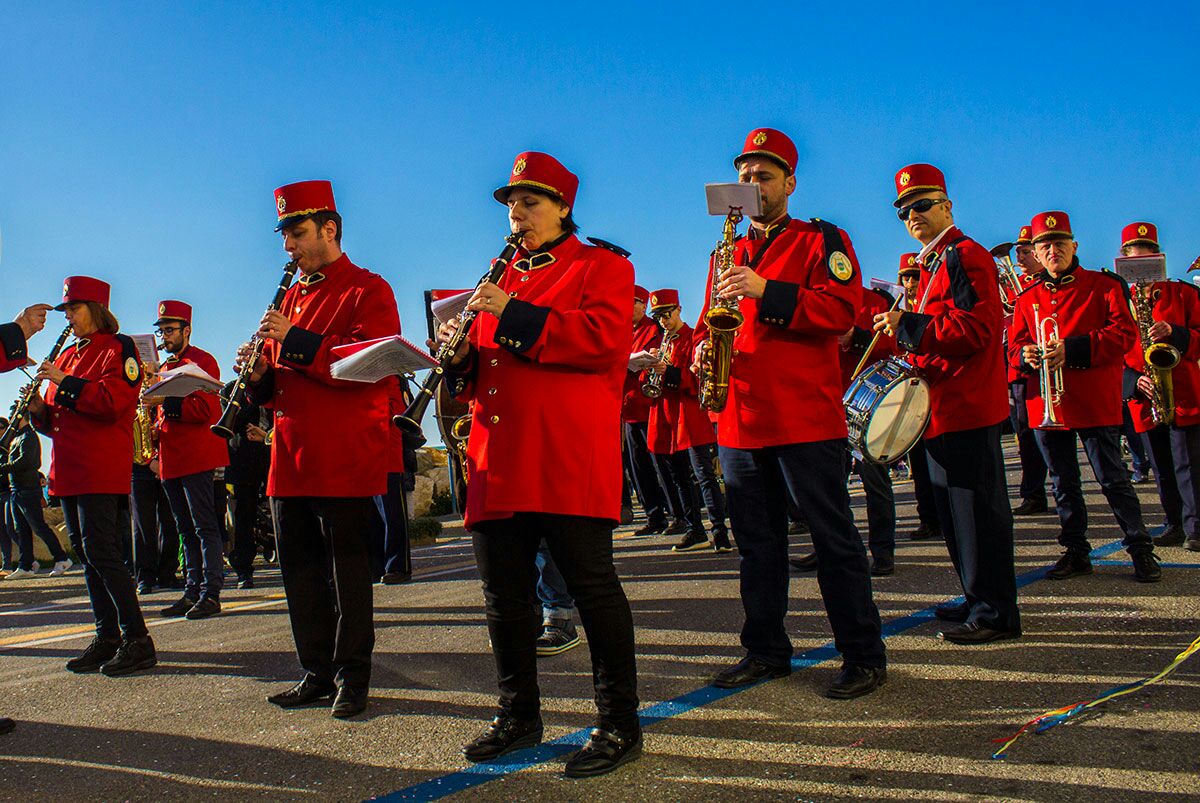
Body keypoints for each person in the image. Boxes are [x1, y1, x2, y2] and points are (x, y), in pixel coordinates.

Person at [439, 151, 641, 777]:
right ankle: (519, 713)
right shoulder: (500, 277)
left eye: (529, 202)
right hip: (499, 457)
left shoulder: (603, 266)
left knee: (592, 589)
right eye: (510, 204)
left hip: (564, 453)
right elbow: (484, 373)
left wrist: (509, 312)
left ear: (562, 208)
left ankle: (618, 724)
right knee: (504, 597)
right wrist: (456, 359)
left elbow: (603, 339)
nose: (516, 214)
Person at [701, 128, 885, 699]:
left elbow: (842, 312)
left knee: (834, 540)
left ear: (789, 183)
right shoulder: (723, 251)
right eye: (746, 175)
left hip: (805, 418)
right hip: (741, 419)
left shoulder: (821, 239)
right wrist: (701, 349)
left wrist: (765, 289)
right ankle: (765, 651)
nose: (754, 183)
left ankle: (862, 654)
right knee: (757, 547)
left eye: (765, 174)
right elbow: (711, 318)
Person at [240, 180, 400, 719]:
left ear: (329, 229)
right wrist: (259, 374)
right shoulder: (289, 294)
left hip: (341, 454)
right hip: (288, 456)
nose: (288, 247)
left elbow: (367, 367)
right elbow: (277, 385)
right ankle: (316, 670)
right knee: (300, 572)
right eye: (285, 235)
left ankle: (353, 677)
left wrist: (293, 339)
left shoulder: (368, 289)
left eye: (297, 233)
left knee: (347, 575)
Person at [874, 163, 1019, 644]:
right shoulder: (935, 262)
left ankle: (996, 610)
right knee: (957, 516)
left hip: (966, 407)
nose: (911, 214)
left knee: (978, 515)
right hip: (942, 409)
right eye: (903, 209)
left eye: (921, 204)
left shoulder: (964, 254)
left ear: (946, 206)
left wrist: (908, 328)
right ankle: (975, 594)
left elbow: (977, 330)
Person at [1009, 211, 1162, 582]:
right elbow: (1013, 348)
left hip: (1093, 400)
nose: (1052, 250)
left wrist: (1073, 349)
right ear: (1037, 252)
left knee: (1113, 479)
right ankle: (1076, 551)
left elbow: (1123, 335)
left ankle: (1140, 548)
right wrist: (1025, 355)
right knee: (1063, 483)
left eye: (1059, 243)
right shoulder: (1026, 297)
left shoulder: (1104, 286)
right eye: (1045, 245)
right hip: (1047, 402)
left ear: (1073, 246)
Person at [27, 276, 155, 675]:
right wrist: (35, 410)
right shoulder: (65, 355)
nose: (68, 316)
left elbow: (112, 402)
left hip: (100, 467)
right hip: (68, 468)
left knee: (103, 552)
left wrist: (63, 382)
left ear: (96, 309)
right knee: (85, 553)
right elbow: (55, 422)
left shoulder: (119, 348)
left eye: (74, 308)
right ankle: (107, 635)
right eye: (65, 309)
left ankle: (138, 638)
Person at [795, 284, 899, 577]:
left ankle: (882, 551)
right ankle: (830, 547)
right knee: (828, 487)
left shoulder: (875, 302)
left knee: (875, 483)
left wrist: (855, 337)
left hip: (864, 407)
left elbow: (891, 349)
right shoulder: (811, 300)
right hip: (826, 404)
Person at [145, 301, 229, 619]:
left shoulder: (202, 361)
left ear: (187, 330)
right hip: (171, 458)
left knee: (204, 526)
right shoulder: (164, 367)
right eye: (162, 331)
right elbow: (166, 415)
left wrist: (165, 400)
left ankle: (211, 592)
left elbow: (206, 411)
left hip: (196, 456)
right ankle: (191, 589)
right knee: (182, 528)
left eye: (170, 330)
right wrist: (153, 429)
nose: (165, 336)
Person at [1119, 222, 1200, 553]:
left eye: (1148, 261)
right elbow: (1112, 351)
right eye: (1134, 264)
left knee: (1188, 464)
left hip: (1184, 393)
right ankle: (1174, 523)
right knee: (1162, 465)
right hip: (1145, 394)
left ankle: (1196, 525)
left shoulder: (1184, 293)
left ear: (1159, 258)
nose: (1141, 271)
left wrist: (1176, 332)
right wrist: (1131, 380)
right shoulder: (1119, 300)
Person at [645, 289, 731, 553]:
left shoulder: (693, 338)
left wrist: (668, 372)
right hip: (666, 417)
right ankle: (695, 528)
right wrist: (649, 368)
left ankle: (719, 532)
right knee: (679, 478)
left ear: (679, 310)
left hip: (689, 416)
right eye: (658, 317)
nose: (663, 321)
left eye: (667, 314)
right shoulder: (662, 342)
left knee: (703, 476)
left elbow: (697, 378)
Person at [896, 255, 941, 542]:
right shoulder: (895, 308)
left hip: (934, 386)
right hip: (909, 391)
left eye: (914, 276)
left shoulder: (928, 305)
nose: (911, 283)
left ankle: (942, 515)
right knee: (918, 461)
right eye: (906, 277)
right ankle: (928, 517)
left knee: (938, 457)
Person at [1008, 226, 1052, 515]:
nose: (1020, 257)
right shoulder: (1014, 287)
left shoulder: (1048, 285)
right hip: (1022, 371)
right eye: (1018, 253)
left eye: (1025, 251)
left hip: (1055, 364)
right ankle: (1033, 493)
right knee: (1025, 435)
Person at [623, 285, 673, 536]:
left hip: (648, 405)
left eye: (633, 302)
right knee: (638, 467)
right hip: (628, 407)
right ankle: (654, 515)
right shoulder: (621, 330)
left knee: (659, 464)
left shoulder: (653, 329)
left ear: (643, 305)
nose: (628, 307)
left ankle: (676, 514)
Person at [1, 410, 72, 578]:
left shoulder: (29, 437)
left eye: (13, 418)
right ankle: (25, 566)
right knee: (20, 529)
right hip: (16, 489)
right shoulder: (16, 438)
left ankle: (61, 558)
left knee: (38, 526)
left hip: (28, 489)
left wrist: (4, 467)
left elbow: (28, 461)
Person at [222, 380, 271, 588]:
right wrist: (252, 394)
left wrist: (266, 435)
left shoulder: (273, 382)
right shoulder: (231, 388)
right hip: (243, 459)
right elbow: (233, 420)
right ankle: (243, 570)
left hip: (270, 452)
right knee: (243, 516)